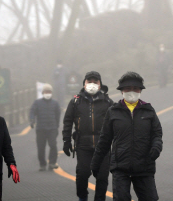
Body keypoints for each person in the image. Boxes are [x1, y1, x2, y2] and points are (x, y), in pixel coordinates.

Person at [91, 71, 162, 201]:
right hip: (120, 167)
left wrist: (156, 147)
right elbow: (105, 140)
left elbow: (157, 134)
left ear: (140, 90)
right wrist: (96, 163)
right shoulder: (113, 112)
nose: (131, 91)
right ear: (122, 91)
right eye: (128, 88)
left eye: (135, 88)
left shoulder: (148, 110)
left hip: (144, 166)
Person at [62, 71, 113, 201]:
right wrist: (66, 141)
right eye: (89, 82)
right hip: (83, 145)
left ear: (100, 85)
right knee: (82, 174)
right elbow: (68, 121)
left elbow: (115, 123)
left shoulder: (108, 102)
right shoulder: (75, 101)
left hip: (103, 147)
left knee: (102, 177)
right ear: (84, 84)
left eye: (95, 82)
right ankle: (82, 197)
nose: (92, 84)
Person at [29, 83, 61, 171]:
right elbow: (32, 112)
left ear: (52, 93)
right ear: (43, 92)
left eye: (49, 91)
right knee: (41, 147)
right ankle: (42, 164)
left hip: (52, 128)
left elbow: (58, 114)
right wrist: (32, 120)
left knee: (53, 145)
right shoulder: (37, 103)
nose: (48, 93)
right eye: (46, 91)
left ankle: (52, 162)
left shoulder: (55, 103)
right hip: (41, 129)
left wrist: (56, 125)